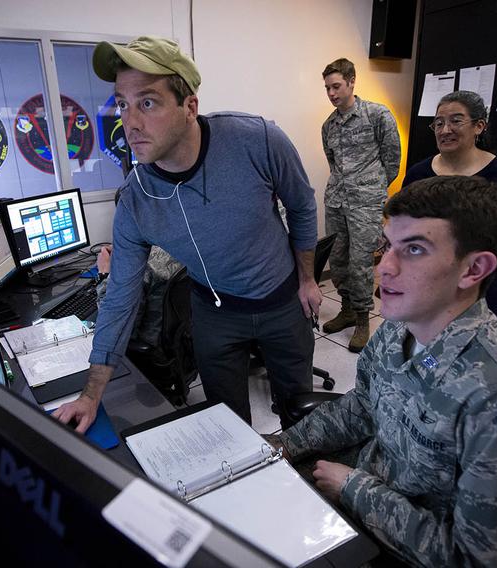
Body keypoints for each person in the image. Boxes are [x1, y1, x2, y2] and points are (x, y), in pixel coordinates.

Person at [274, 176, 497, 567]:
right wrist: (284, 445)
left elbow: (479, 561)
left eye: (414, 249)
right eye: (388, 246)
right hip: (362, 488)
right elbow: (362, 407)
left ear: (473, 269)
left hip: (397, 544)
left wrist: (355, 489)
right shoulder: (398, 326)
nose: (384, 268)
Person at [52, 36, 321, 432]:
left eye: (147, 102)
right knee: (228, 427)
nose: (130, 122)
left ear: (189, 106)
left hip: (281, 300)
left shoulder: (258, 140)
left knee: (300, 418)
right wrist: (91, 394)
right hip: (214, 313)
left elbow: (302, 205)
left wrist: (308, 278)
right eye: (122, 104)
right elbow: (120, 301)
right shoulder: (135, 200)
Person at [403, 90, 497, 317]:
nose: (445, 130)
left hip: (479, 286)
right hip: (425, 281)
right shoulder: (419, 173)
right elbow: (401, 223)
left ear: (479, 126)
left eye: (456, 121)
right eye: (439, 123)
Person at [320, 58, 401, 352]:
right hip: (337, 202)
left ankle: (363, 319)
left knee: (360, 263)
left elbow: (392, 161)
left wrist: (373, 189)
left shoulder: (377, 115)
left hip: (365, 204)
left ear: (352, 81)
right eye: (327, 88)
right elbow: (333, 163)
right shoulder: (328, 125)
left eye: (336, 86)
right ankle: (347, 310)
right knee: (338, 260)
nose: (331, 93)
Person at [94, 243, 182, 351]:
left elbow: (114, 327)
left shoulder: (141, 265)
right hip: (182, 343)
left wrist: (104, 272)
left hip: (151, 349)